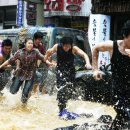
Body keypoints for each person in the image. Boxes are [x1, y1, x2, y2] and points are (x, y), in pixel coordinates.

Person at [92, 20, 130, 129]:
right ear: (125, 35)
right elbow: (96, 49)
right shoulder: (112, 46)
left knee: (123, 119)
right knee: (126, 115)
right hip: (117, 91)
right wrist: (95, 69)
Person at [44, 36, 92, 118]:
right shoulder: (57, 47)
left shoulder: (74, 48)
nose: (67, 48)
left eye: (69, 46)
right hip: (60, 71)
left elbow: (84, 54)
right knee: (61, 88)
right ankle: (61, 109)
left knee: (69, 89)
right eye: (65, 46)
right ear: (62, 45)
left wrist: (88, 63)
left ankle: (64, 105)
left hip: (71, 72)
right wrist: (47, 61)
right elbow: (49, 52)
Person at [0, 37, 45, 104]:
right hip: (20, 72)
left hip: (31, 73)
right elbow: (11, 60)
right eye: (29, 43)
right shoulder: (19, 52)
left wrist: (48, 62)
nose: (8, 50)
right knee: (12, 90)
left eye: (31, 43)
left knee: (38, 78)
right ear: (25, 44)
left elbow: (43, 58)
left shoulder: (36, 51)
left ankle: (27, 100)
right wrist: (3, 66)